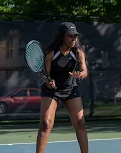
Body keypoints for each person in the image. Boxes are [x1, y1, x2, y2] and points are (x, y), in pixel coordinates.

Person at [36, 22, 88, 153]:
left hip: (71, 89)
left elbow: (84, 72)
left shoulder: (78, 52)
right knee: (46, 124)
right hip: (52, 91)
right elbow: (45, 74)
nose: (74, 38)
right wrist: (49, 82)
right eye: (70, 36)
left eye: (75, 36)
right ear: (62, 36)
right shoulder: (51, 53)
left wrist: (79, 74)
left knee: (81, 123)